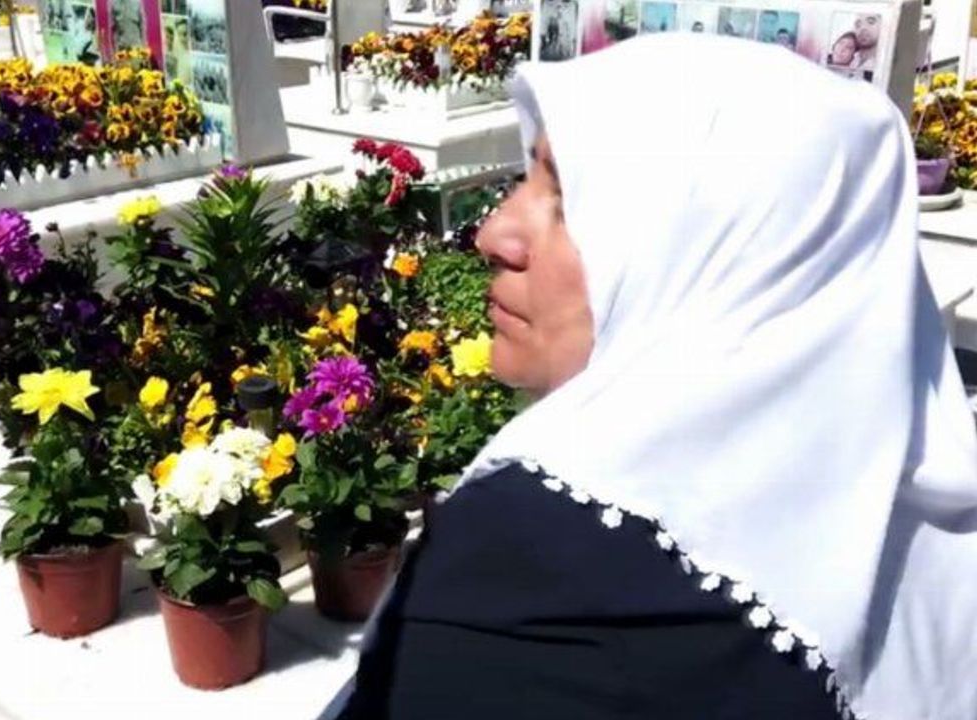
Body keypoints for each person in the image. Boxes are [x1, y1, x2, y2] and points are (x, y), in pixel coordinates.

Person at [323, 34, 977, 720]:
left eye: (569, 201)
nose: (494, 234)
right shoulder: (939, 537)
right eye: (526, 179)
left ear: (726, 257)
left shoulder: (526, 569)